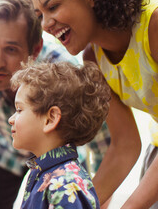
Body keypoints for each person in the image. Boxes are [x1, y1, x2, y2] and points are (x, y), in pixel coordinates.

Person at [0, 0, 109, 209]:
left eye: (10, 49)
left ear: (35, 49)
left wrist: (91, 199)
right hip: (2, 150)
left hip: (57, 152)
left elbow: (103, 146)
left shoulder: (65, 75)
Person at [24, 0, 158, 208]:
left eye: (52, 7)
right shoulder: (94, 59)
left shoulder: (154, 27)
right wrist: (79, 201)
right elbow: (125, 145)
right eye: (39, 15)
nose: (45, 23)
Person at [8, 61, 110, 209]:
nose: (11, 119)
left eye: (19, 110)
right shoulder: (46, 173)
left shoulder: (64, 185)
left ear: (51, 119)